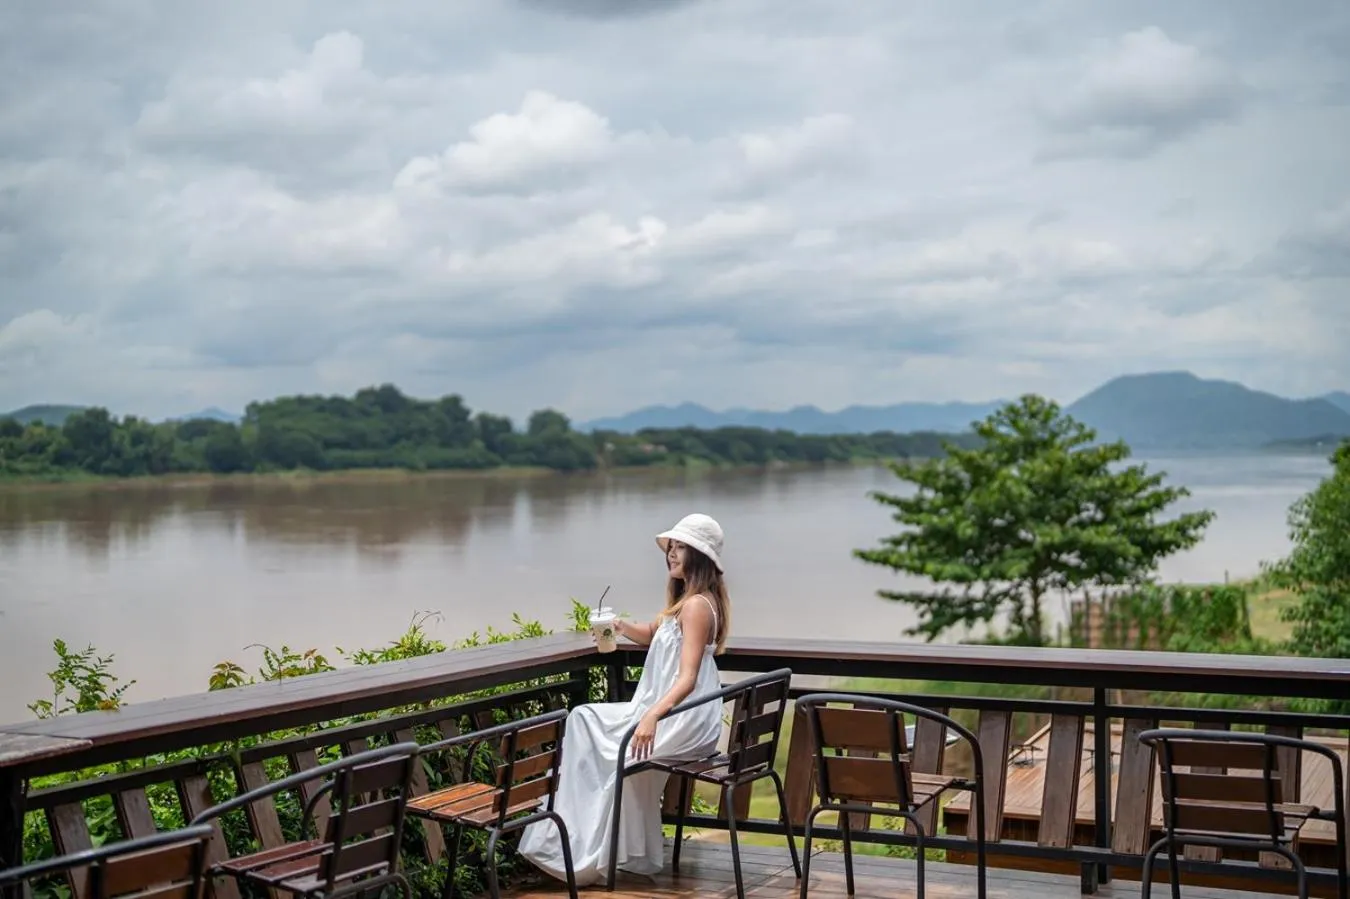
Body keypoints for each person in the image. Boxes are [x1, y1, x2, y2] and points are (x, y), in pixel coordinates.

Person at [517, 512, 731, 886]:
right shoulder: (686, 602)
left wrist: (651, 716)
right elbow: (653, 633)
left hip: (682, 716)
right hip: (673, 711)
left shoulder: (697, 606)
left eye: (681, 548)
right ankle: (582, 840)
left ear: (699, 556)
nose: (671, 554)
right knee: (583, 719)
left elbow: (688, 677)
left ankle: (579, 845)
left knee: (589, 728)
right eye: (670, 547)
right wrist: (618, 626)